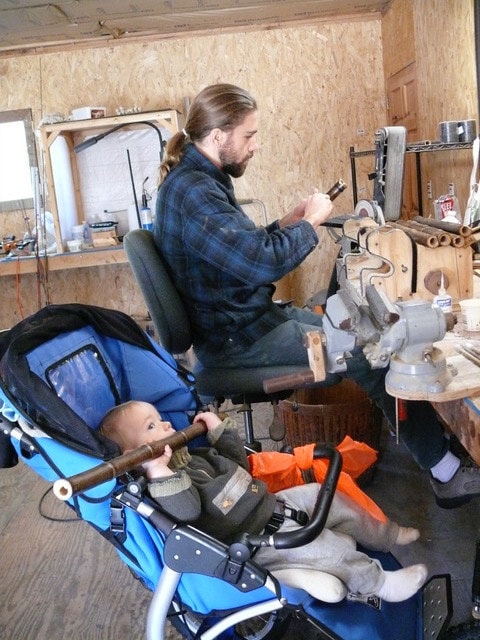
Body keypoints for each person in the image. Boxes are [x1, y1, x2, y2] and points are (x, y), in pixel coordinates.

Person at [153, 82, 480, 509]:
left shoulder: (201, 180)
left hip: (250, 323)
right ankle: (445, 473)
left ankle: (440, 458)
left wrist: (288, 222)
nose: (255, 146)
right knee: (373, 350)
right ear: (218, 137)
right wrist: (311, 226)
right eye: (249, 136)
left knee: (365, 332)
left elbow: (238, 253)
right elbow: (262, 264)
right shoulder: (193, 191)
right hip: (237, 340)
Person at [99, 400, 427, 602]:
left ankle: (385, 534)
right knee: (328, 550)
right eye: (153, 426)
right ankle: (379, 582)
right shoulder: (165, 486)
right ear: (134, 455)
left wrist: (220, 433)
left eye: (160, 418)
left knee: (330, 497)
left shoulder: (193, 457)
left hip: (271, 505)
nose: (168, 424)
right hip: (255, 542)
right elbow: (187, 511)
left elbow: (238, 466)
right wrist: (158, 471)